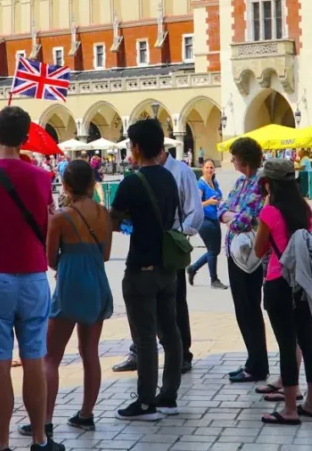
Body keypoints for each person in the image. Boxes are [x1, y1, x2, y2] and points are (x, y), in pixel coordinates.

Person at [0, 106, 64, 451]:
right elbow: (46, 219)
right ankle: (40, 438)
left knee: (0, 364)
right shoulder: (41, 177)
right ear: (25, 138)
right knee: (34, 357)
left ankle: (2, 443)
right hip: (34, 276)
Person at [24, 159, 112, 439]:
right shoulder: (103, 213)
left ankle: (45, 420)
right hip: (97, 283)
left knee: (51, 357)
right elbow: (106, 254)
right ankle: (86, 414)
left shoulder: (61, 216)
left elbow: (50, 258)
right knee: (90, 353)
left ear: (65, 185)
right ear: (91, 184)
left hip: (70, 283)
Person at [108, 118, 184, 421]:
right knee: (171, 333)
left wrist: (126, 224)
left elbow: (114, 220)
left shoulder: (132, 181)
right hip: (168, 267)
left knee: (145, 337)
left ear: (136, 147)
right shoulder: (169, 177)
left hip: (141, 267)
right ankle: (169, 395)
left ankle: (145, 402)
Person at [253, 159, 312, 425]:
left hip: (278, 282)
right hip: (303, 284)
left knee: (286, 345)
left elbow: (259, 251)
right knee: (308, 342)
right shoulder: (305, 209)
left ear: (269, 183)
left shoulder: (270, 212)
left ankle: (290, 409)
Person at [222, 137, 270, 384]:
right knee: (241, 309)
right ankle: (253, 360)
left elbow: (243, 220)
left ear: (245, 159)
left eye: (234, 157)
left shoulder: (258, 185)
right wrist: (231, 215)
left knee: (250, 308)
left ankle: (258, 365)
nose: (232, 161)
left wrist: (232, 216)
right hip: (233, 252)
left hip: (250, 256)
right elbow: (222, 208)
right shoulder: (240, 182)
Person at [188, 160, 226, 289]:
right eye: (207, 167)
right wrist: (209, 202)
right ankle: (214, 280)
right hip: (204, 220)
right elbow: (197, 205)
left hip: (214, 219)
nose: (209, 170)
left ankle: (193, 268)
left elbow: (219, 197)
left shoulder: (214, 183)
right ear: (202, 169)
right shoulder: (200, 184)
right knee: (212, 250)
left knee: (215, 250)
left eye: (211, 167)